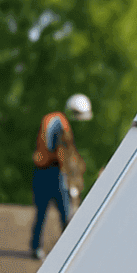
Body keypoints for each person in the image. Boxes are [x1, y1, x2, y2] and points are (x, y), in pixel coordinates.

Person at [31, 94, 92, 259]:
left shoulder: (57, 121)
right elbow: (55, 150)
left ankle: (38, 247)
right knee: (63, 213)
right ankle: (66, 250)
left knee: (44, 213)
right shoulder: (58, 124)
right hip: (51, 172)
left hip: (45, 172)